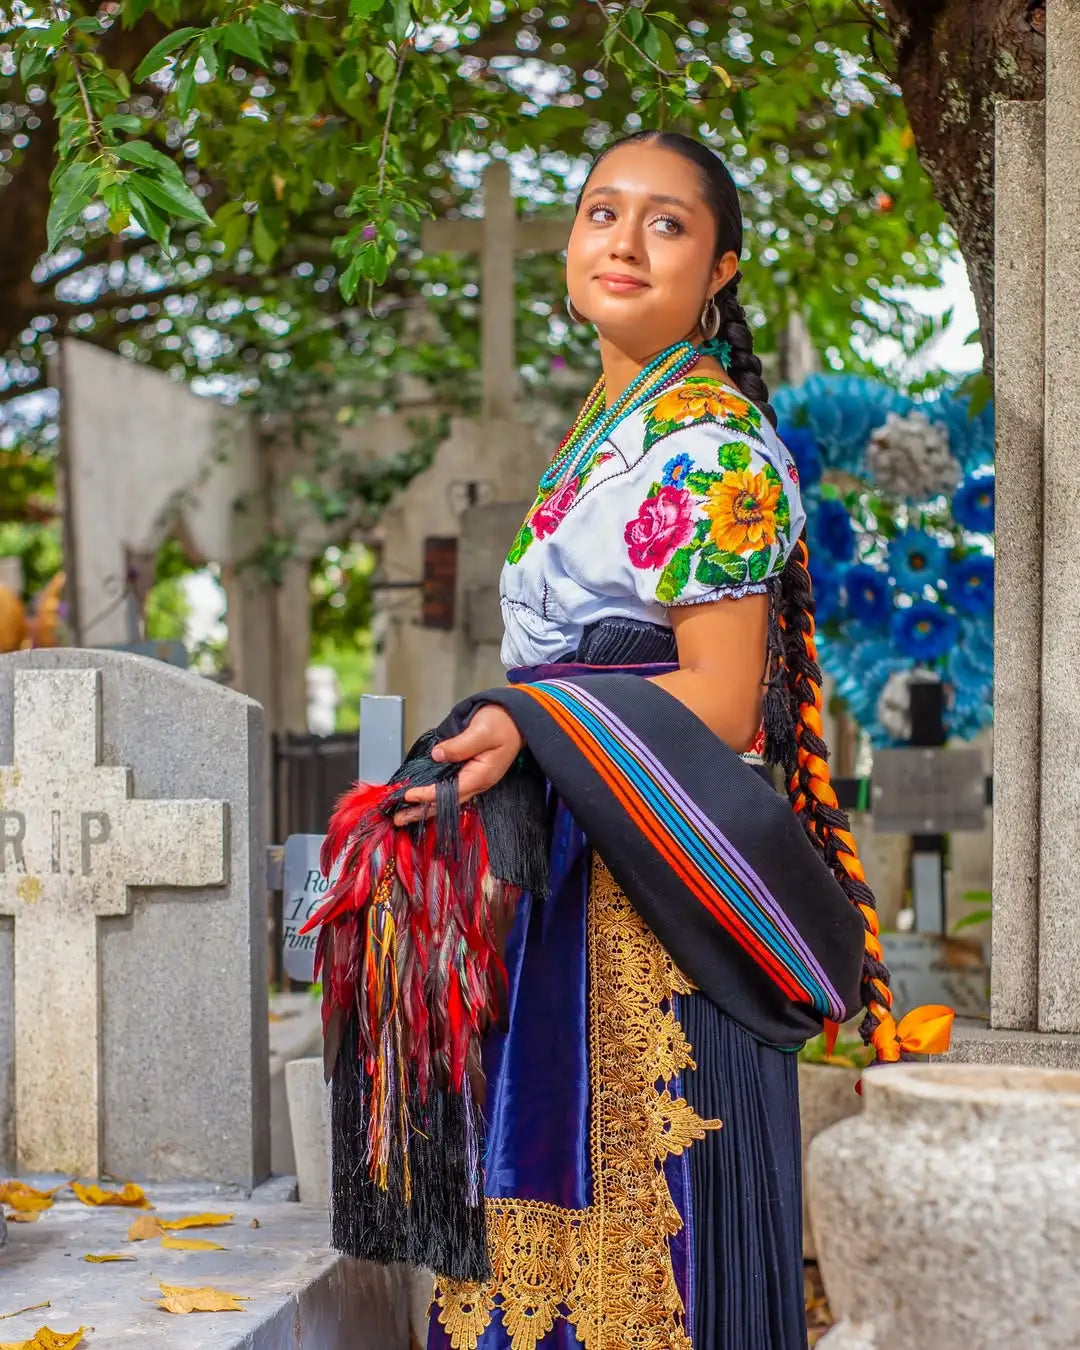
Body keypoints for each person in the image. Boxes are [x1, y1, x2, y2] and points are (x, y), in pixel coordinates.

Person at [304, 130, 952, 1350]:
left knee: (651, 1240)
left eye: (667, 223)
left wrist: (527, 718)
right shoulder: (612, 432)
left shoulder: (704, 443)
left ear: (721, 270)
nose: (624, 240)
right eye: (604, 211)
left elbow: (720, 700)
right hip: (582, 858)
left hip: (654, 883)